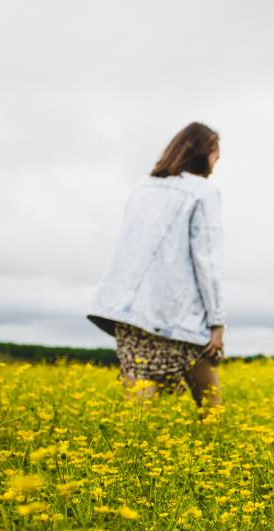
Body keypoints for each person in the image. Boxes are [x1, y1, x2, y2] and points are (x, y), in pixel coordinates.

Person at [87, 122, 225, 411]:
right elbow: (207, 261)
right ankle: (213, 447)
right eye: (215, 151)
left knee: (140, 405)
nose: (218, 158)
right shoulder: (202, 192)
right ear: (201, 152)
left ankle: (134, 454)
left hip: (128, 312)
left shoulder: (141, 189)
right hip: (175, 314)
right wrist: (217, 321)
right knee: (210, 404)